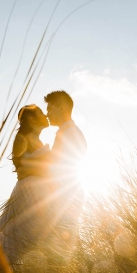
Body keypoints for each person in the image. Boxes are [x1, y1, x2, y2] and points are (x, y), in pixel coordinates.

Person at [0, 104, 51, 264]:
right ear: (32, 119)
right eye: (41, 113)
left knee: (37, 235)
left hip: (39, 190)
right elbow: (21, 170)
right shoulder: (23, 139)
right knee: (26, 235)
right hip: (29, 192)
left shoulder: (37, 140)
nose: (46, 115)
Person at [43, 90, 87, 257]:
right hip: (65, 196)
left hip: (65, 197)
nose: (47, 114)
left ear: (61, 108)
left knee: (61, 248)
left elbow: (61, 168)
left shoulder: (70, 133)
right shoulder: (68, 132)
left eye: (49, 109)